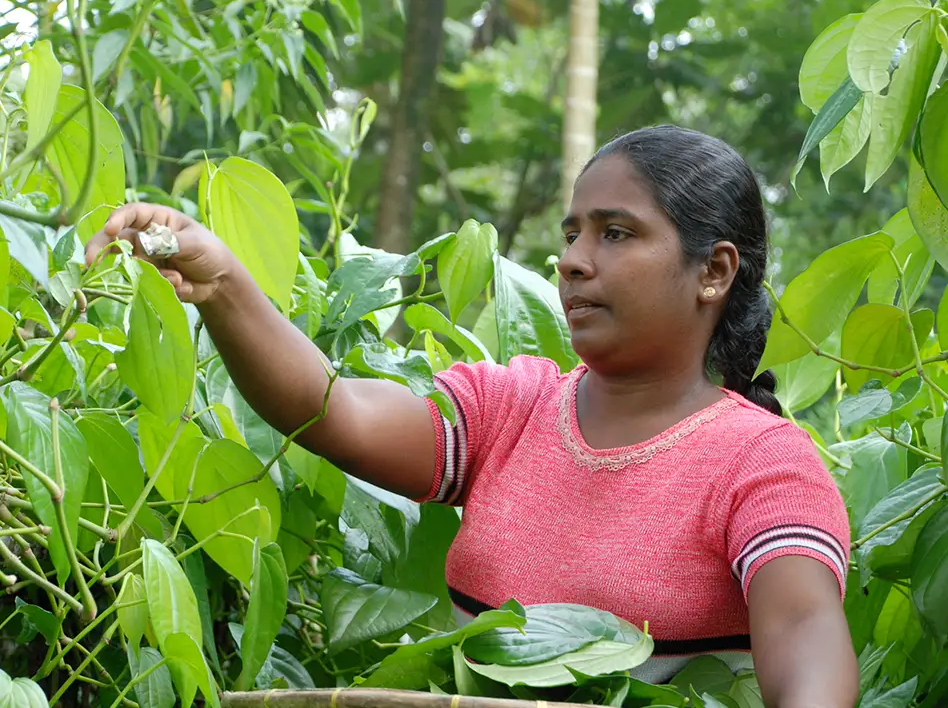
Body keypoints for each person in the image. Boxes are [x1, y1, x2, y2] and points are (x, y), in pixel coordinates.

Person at [85, 125, 858, 707]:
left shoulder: (763, 464)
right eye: (571, 233)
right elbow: (331, 411)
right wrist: (221, 280)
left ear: (714, 271)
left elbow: (806, 647)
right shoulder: (511, 409)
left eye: (615, 232)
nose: (573, 259)